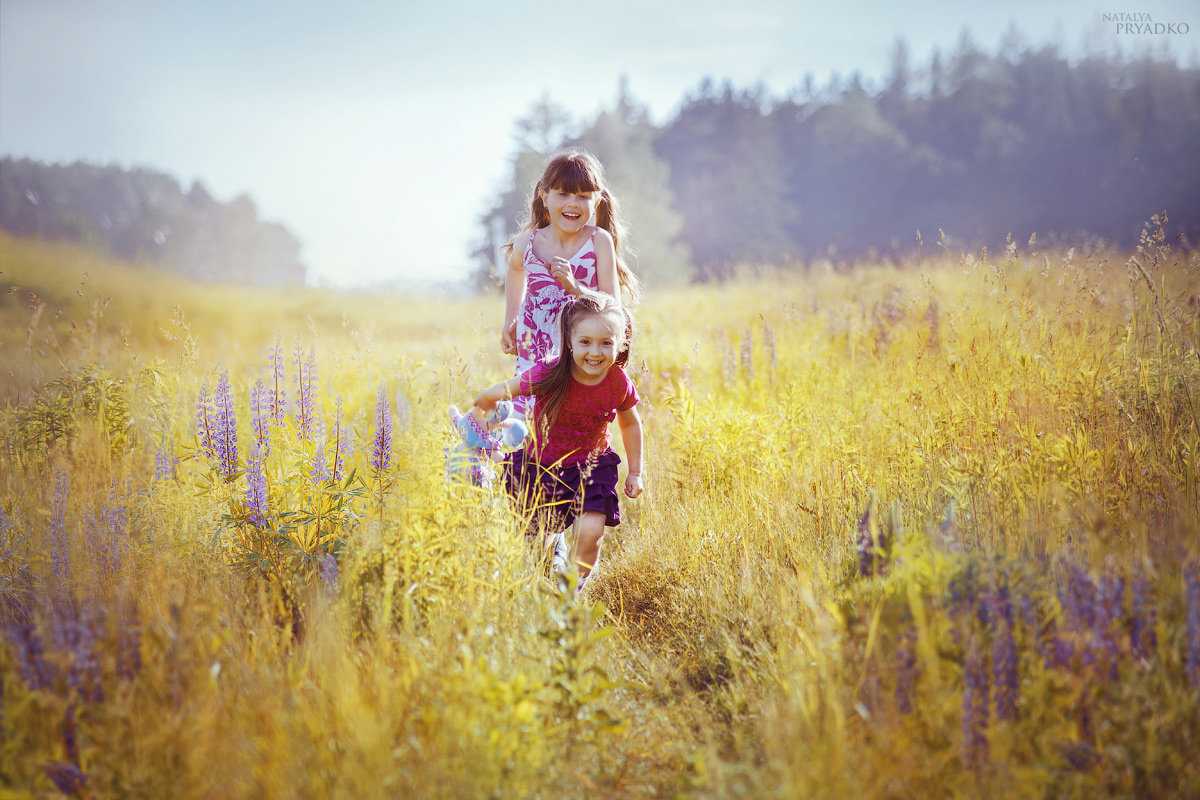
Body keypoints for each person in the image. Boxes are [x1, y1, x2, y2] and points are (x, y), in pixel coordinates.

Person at [474, 291, 644, 590]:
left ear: (621, 344)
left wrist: (635, 471)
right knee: (535, 544)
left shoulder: (617, 381)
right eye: (585, 342)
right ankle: (550, 564)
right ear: (569, 341)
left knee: (590, 534)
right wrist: (482, 408)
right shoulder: (550, 372)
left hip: (592, 467)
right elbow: (502, 391)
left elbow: (629, 423)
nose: (595, 351)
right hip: (542, 465)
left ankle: (570, 595)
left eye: (606, 342)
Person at [500, 150, 640, 417]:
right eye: (563, 194)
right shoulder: (528, 244)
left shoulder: (598, 241)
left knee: (572, 418)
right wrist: (511, 319)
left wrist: (577, 288)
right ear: (544, 196)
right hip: (534, 348)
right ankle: (522, 459)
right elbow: (515, 269)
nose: (573, 203)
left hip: (580, 351)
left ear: (597, 201)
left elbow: (612, 303)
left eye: (583, 196)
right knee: (525, 419)